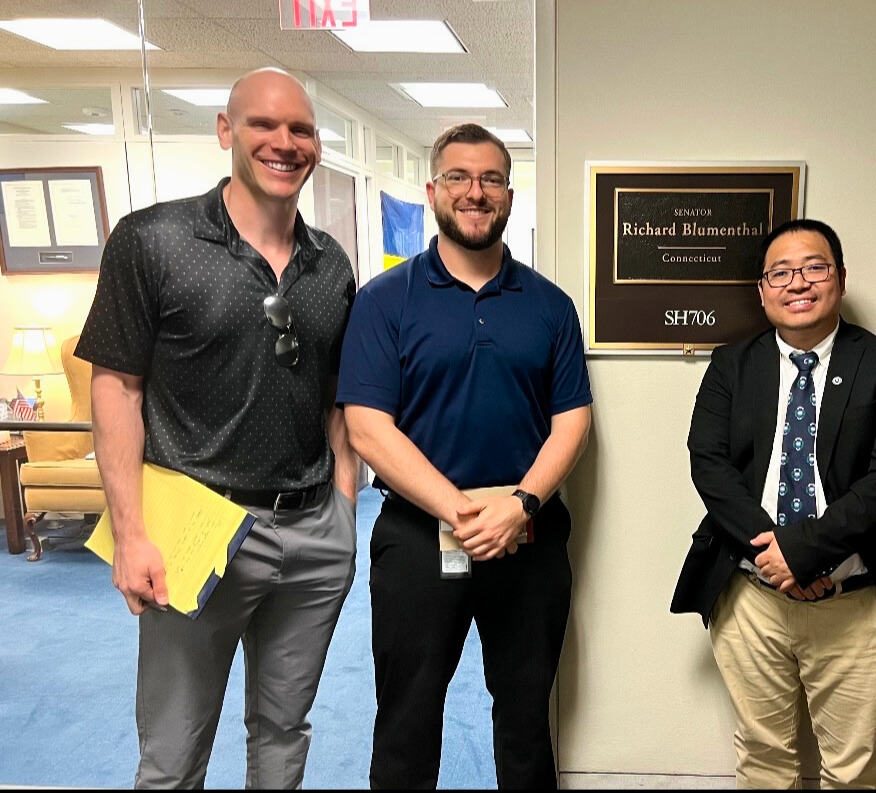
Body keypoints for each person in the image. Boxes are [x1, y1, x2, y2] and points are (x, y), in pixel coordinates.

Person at [75, 68, 358, 789]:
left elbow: (336, 397)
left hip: (311, 533)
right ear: (227, 131)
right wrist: (131, 530)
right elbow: (115, 386)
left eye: (300, 129)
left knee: (283, 730)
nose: (284, 142)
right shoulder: (154, 240)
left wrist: (345, 508)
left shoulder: (331, 266)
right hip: (195, 529)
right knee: (173, 753)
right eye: (264, 124)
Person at [337, 123, 592, 789]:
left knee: (526, 713)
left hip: (527, 534)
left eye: (490, 179)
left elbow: (572, 421)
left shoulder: (550, 305)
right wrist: (463, 511)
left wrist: (518, 505)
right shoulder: (383, 302)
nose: (474, 192)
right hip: (420, 537)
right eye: (458, 177)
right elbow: (367, 428)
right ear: (432, 191)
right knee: (407, 714)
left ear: (509, 194)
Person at [670, 218, 876, 788]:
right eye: (780, 272)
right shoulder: (731, 365)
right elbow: (708, 464)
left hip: (854, 604)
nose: (798, 283)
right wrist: (778, 557)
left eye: (814, 267)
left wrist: (804, 554)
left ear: (839, 278)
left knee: (852, 768)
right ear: (762, 291)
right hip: (751, 599)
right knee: (763, 759)